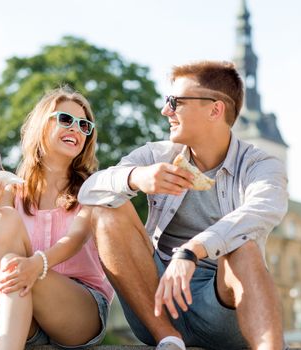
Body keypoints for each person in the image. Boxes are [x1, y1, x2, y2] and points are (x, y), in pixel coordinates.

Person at [78, 60, 288, 350]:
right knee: (105, 209)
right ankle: (169, 339)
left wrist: (192, 250)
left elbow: (261, 210)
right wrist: (135, 177)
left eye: (175, 102)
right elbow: (87, 192)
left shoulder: (261, 165)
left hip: (223, 312)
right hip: (155, 306)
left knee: (244, 246)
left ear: (215, 109)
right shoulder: (156, 155)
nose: (166, 111)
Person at [0, 87, 114, 350]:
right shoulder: (11, 189)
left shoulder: (92, 187)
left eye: (84, 125)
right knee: (2, 222)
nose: (76, 129)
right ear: (41, 125)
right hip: (22, 310)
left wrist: (34, 266)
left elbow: (74, 240)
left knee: (16, 266)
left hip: (79, 310)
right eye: (66, 119)